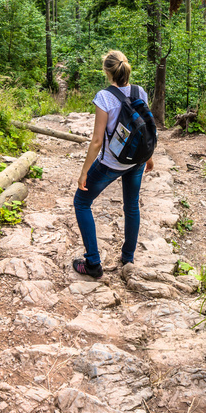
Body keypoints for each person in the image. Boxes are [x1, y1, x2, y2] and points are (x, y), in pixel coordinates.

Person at [72, 50, 154, 279]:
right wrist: (148, 157)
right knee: (132, 206)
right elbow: (145, 128)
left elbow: (97, 140)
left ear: (107, 71)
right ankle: (128, 258)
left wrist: (84, 172)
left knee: (81, 202)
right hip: (136, 161)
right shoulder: (140, 92)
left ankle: (93, 264)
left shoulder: (105, 97)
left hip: (111, 163)